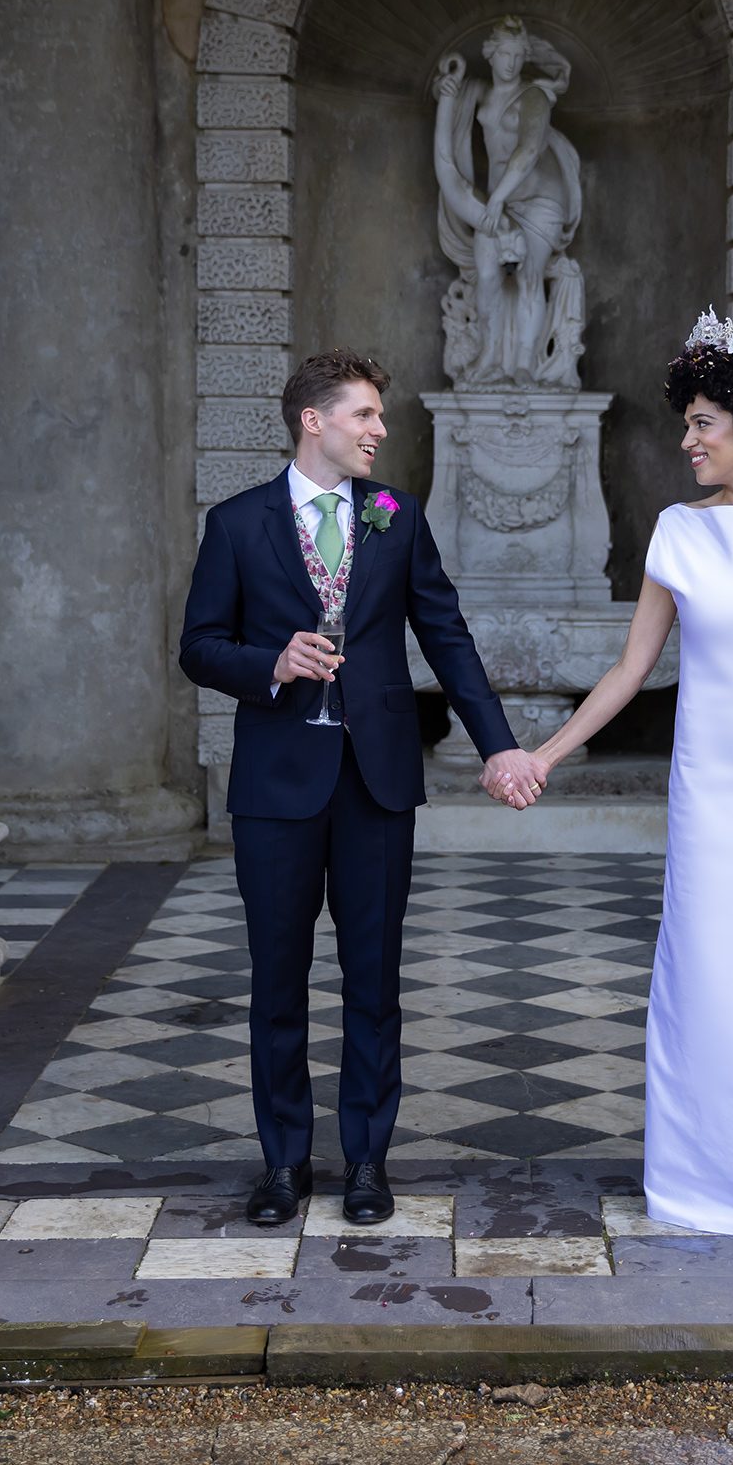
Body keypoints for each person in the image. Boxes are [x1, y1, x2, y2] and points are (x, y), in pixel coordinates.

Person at [179, 350, 549, 1228]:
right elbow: (197, 645)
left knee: (373, 979)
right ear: (315, 420)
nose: (380, 430)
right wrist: (268, 662)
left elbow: (448, 638)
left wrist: (499, 748)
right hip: (275, 785)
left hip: (378, 782)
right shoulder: (236, 524)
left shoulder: (395, 517)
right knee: (278, 978)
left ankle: (369, 1160)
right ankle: (283, 1163)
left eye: (378, 418)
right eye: (365, 415)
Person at [523, 310, 733, 1241]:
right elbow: (633, 668)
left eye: (703, 424)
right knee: (712, 972)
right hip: (711, 789)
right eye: (688, 424)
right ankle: (704, 1182)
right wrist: (546, 755)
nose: (688, 441)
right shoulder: (678, 532)